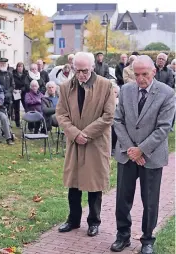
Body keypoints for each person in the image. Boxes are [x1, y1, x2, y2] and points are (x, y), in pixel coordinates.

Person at [111, 55, 175, 254]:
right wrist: (132, 149)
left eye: (144, 74)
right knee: (122, 199)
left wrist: (141, 150)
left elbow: (164, 128)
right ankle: (123, 236)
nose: (140, 79)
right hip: (127, 154)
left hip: (152, 156)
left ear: (154, 72)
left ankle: (148, 239)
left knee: (150, 201)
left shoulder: (167, 93)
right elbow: (118, 121)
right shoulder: (126, 90)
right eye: (137, 74)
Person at [56, 52, 115, 237]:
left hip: (96, 142)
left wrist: (86, 134)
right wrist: (74, 133)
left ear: (93, 68)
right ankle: (73, 220)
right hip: (75, 142)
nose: (81, 74)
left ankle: (94, 221)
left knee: (94, 184)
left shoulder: (106, 86)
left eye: (85, 70)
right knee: (73, 183)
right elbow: (61, 114)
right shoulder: (66, 87)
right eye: (77, 70)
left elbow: (108, 116)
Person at [12, 62, 28, 127]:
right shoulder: (13, 74)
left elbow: (27, 84)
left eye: (21, 66)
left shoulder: (26, 74)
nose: (20, 68)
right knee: (16, 108)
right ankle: (17, 123)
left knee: (26, 107)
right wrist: (14, 89)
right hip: (16, 92)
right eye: (18, 66)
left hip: (24, 92)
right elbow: (12, 82)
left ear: (23, 67)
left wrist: (22, 89)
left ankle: (29, 121)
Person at [111, 83, 120, 156]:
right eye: (112, 92)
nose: (113, 94)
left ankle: (114, 148)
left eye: (115, 92)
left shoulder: (119, 102)